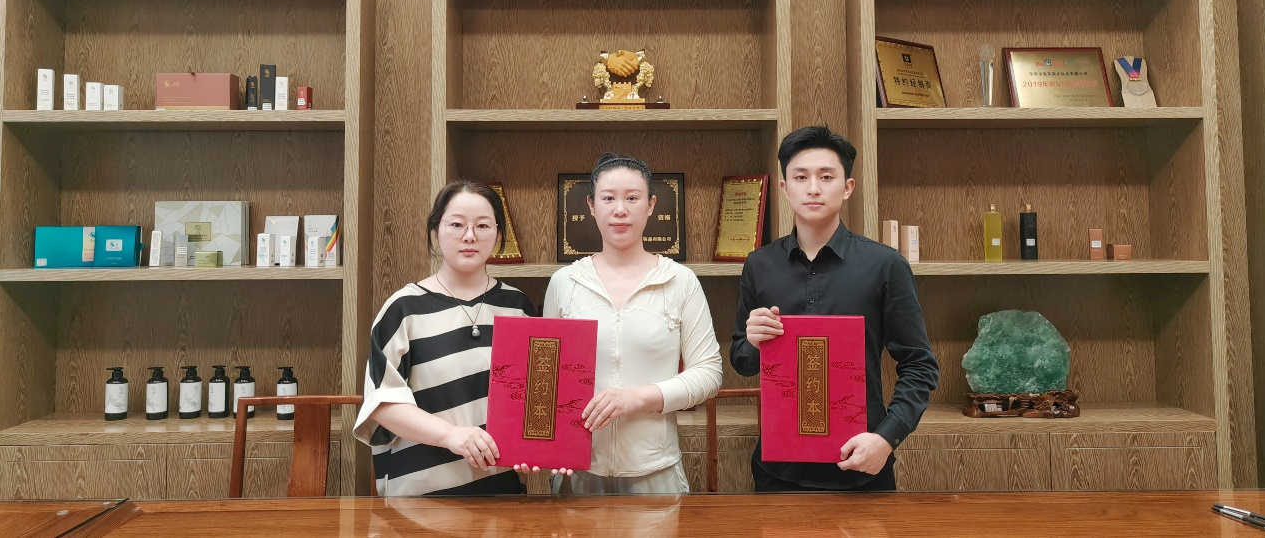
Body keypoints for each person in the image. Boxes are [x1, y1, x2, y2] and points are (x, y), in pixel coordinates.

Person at [730, 126, 939, 492]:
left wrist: (886, 438)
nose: (813, 188)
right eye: (801, 177)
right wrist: (753, 342)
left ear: (847, 187)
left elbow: (920, 365)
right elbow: (742, 362)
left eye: (826, 177)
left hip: (863, 466)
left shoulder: (885, 265)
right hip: (777, 471)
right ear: (785, 188)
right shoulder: (759, 264)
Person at [543, 153, 723, 495]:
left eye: (632, 198)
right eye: (608, 198)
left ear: (651, 205)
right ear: (591, 205)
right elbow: (547, 376)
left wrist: (638, 398)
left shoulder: (680, 281)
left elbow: (709, 372)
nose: (620, 210)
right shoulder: (565, 283)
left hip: (656, 471)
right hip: (577, 470)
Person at [353, 180, 539, 496]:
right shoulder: (403, 309)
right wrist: (451, 435)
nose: (470, 236)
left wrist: (541, 446)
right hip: (421, 496)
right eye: (456, 224)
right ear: (436, 230)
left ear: (498, 235)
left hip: (501, 491)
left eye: (483, 225)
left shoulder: (517, 306)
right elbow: (382, 403)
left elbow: (534, 397)